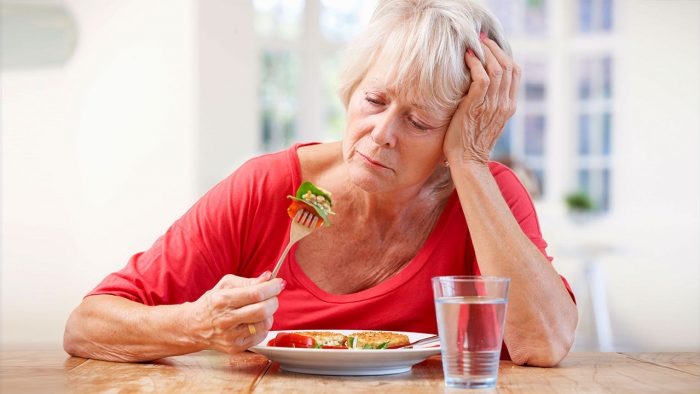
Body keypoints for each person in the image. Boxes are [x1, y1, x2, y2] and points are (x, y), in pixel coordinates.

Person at [64, 0, 577, 367]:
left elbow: (544, 344)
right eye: (374, 101)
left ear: (461, 129)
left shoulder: (487, 193)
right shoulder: (267, 187)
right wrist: (195, 325)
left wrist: (468, 161)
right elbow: (87, 326)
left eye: (419, 123)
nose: (381, 134)